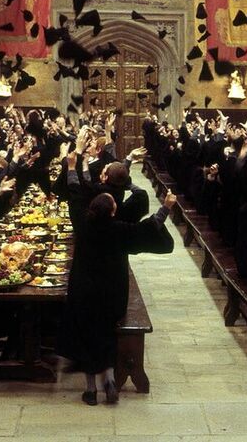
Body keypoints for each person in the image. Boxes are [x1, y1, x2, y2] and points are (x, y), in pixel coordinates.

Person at [58, 150, 174, 406]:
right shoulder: (120, 230)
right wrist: (166, 207)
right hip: (113, 291)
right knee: (108, 332)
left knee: (87, 334)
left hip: (84, 290)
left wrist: (72, 166)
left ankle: (90, 389)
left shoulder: (82, 225)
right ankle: (110, 379)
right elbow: (148, 227)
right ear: (113, 212)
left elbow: (75, 193)